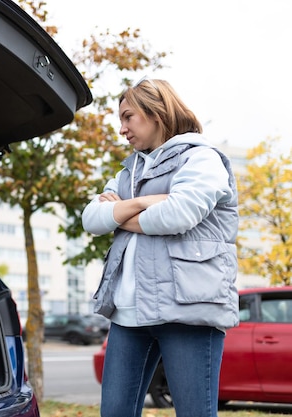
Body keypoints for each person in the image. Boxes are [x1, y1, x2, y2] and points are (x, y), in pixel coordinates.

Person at [82, 77, 239, 417]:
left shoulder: (201, 159)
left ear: (156, 112)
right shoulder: (128, 171)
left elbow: (176, 215)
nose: (122, 128)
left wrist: (119, 211)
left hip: (188, 310)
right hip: (127, 313)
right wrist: (147, 201)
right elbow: (92, 219)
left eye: (128, 117)